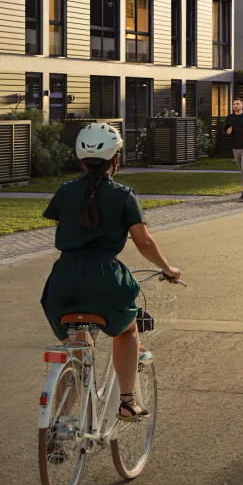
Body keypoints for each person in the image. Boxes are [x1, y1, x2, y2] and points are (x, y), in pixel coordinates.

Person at [40, 122, 182, 421]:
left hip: (63, 282)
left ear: (81, 159)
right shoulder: (123, 195)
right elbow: (143, 242)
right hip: (105, 279)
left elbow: (61, 226)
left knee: (79, 351)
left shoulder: (65, 191)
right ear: (116, 158)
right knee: (128, 330)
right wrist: (167, 268)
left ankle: (59, 420)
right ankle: (127, 402)